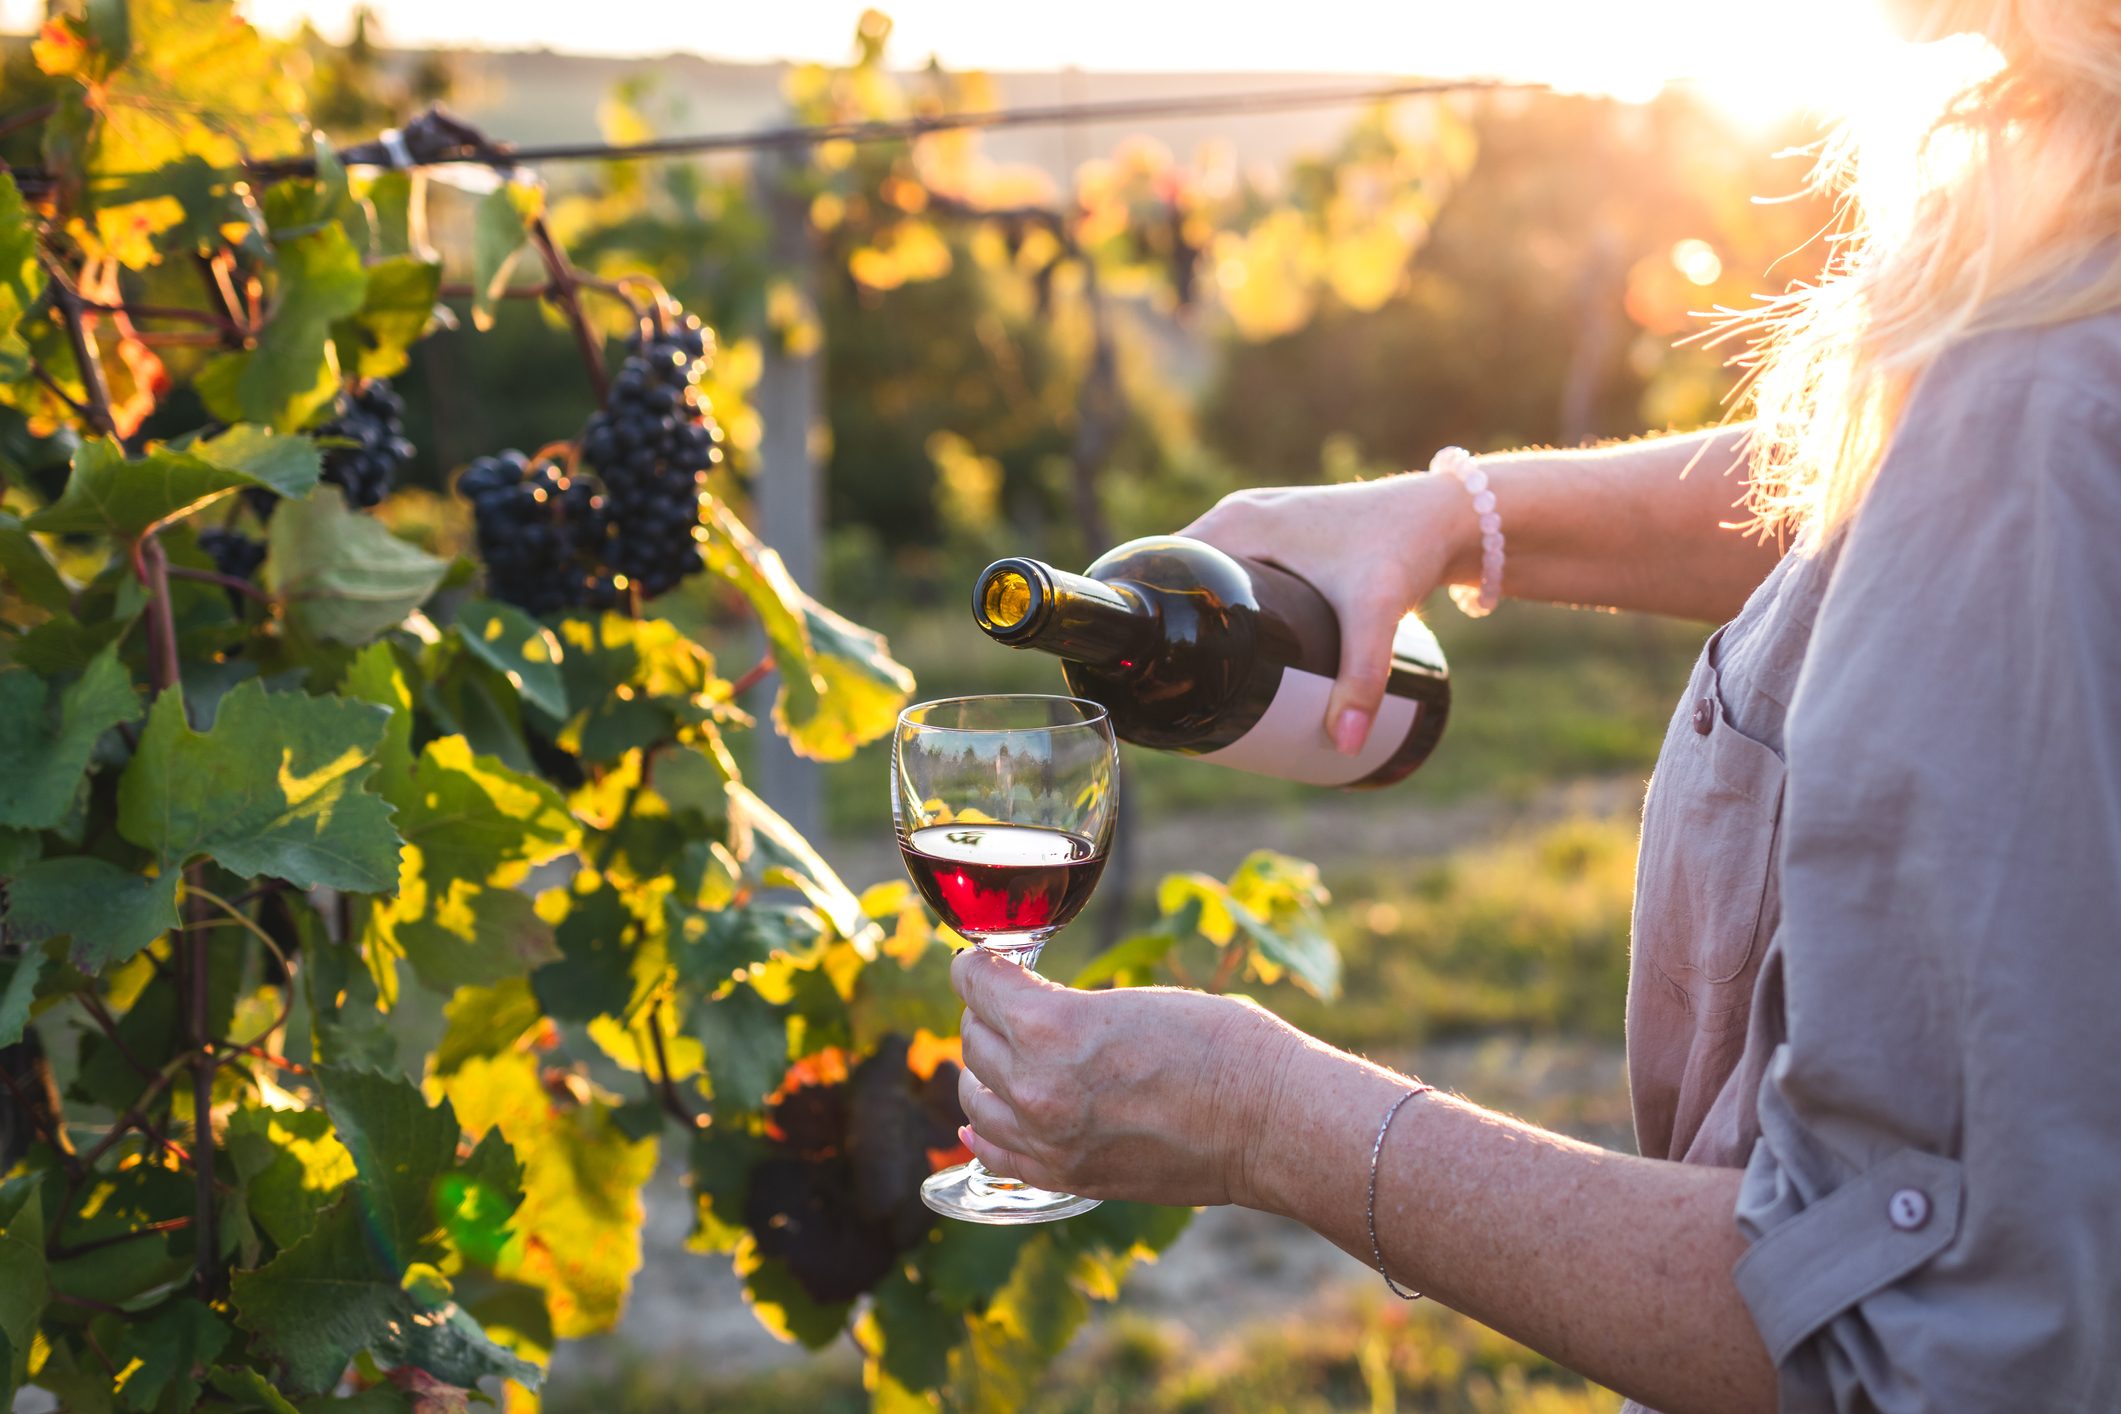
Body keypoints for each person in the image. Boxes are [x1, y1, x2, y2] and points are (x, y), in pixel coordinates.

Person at [947, 1, 2121, 1408]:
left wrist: (1261, 1117)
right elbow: (1907, 490)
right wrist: (1455, 515)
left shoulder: (2045, 386)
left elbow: (1908, 1337)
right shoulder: (2063, 301)